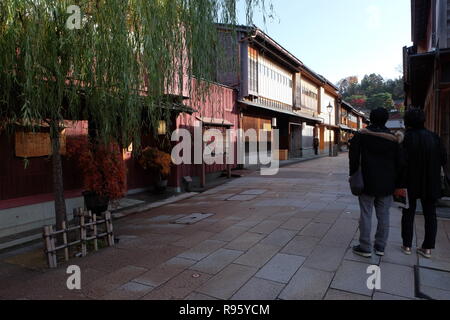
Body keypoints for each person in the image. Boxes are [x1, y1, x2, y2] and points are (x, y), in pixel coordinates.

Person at [349, 108, 403, 258]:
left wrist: (353, 175)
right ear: (386, 120)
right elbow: (400, 164)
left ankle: (365, 247)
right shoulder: (393, 140)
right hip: (387, 184)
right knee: (384, 215)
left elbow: (353, 158)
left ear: (371, 119)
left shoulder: (361, 136)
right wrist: (397, 184)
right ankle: (380, 247)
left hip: (366, 182)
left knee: (366, 214)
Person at [399, 108, 448, 259]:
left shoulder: (406, 138)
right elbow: (444, 159)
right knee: (430, 214)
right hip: (431, 181)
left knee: (408, 212)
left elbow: (401, 163)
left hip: (410, 181)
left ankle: (407, 245)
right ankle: (427, 248)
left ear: (408, 122)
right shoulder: (435, 137)